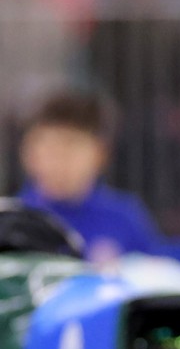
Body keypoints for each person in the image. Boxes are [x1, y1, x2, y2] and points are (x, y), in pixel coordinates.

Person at [17, 88, 162, 264]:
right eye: (48, 148)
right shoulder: (12, 223)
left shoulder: (125, 218)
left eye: (70, 146)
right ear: (28, 155)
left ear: (100, 154)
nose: (58, 160)